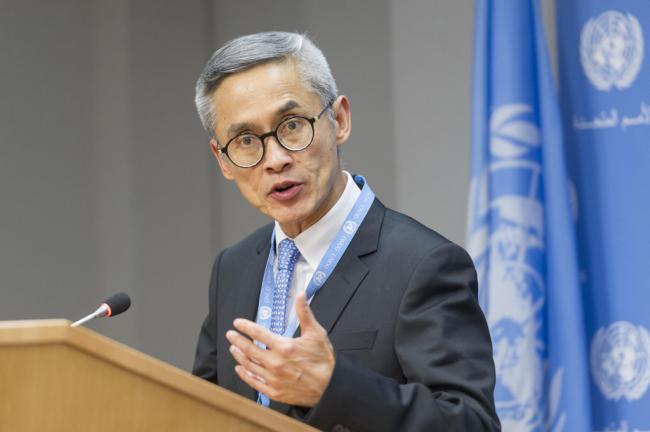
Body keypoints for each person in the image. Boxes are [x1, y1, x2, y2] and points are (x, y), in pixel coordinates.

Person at [192, 31, 500, 432]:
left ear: (339, 121)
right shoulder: (233, 268)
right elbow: (198, 410)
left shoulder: (423, 265)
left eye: (292, 125)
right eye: (246, 140)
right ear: (222, 160)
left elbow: (472, 424)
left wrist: (334, 387)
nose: (276, 159)